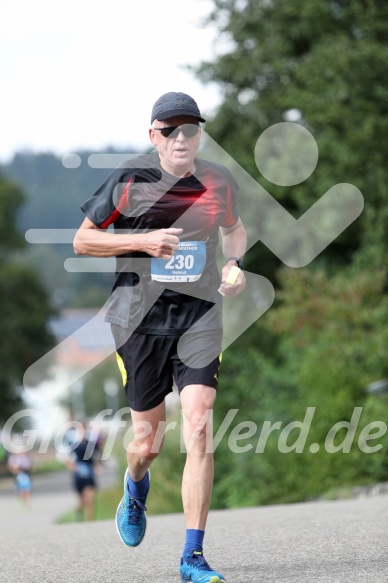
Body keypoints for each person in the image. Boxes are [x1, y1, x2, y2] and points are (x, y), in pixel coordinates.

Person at [73, 91, 247, 583]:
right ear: (154, 136)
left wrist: (234, 264)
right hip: (138, 319)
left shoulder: (218, 180)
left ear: (199, 135)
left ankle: (192, 557)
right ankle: (135, 485)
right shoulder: (130, 180)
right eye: (170, 130)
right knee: (147, 441)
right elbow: (82, 239)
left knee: (198, 424)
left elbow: (235, 231)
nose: (181, 138)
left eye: (190, 129)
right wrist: (141, 241)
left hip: (199, 315)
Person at [64, 422, 102, 521]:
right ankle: (79, 513)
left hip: (89, 474)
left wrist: (98, 465)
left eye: (84, 429)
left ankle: (90, 521)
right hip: (78, 475)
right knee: (82, 501)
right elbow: (66, 459)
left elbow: (98, 456)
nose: (83, 432)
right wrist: (72, 466)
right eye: (80, 430)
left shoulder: (91, 444)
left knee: (91, 498)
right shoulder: (73, 445)